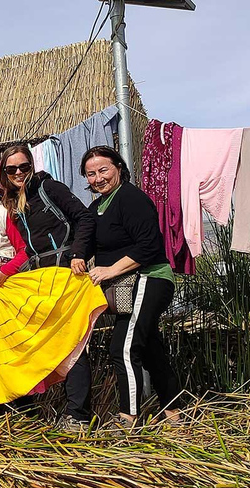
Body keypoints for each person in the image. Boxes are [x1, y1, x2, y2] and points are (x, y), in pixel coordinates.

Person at [0, 158, 106, 409]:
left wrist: (5, 271)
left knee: (7, 353)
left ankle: (18, 405)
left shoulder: (3, 212)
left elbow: (23, 250)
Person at [81, 145, 182, 428]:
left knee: (123, 348)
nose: (98, 178)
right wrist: (78, 258)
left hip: (149, 277)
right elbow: (87, 241)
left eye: (103, 170)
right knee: (149, 348)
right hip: (130, 285)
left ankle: (129, 418)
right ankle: (175, 412)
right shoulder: (97, 206)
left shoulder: (130, 198)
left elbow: (149, 245)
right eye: (91, 174)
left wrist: (110, 269)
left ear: (119, 168)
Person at [0, 144, 96, 430]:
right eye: (11, 169)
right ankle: (26, 411)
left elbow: (84, 217)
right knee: (34, 345)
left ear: (32, 165)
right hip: (35, 280)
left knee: (73, 343)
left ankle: (78, 416)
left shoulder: (49, 188)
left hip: (65, 273)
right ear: (4, 173)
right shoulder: (11, 201)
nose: (18, 173)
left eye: (23, 167)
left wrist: (78, 253)